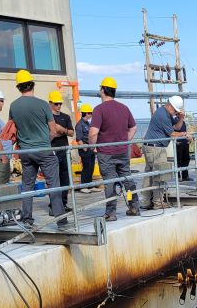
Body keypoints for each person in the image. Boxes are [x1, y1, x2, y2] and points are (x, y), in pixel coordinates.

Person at [8, 69, 67, 227]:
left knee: (27, 186)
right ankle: (60, 219)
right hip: (44, 150)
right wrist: (44, 141)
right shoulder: (42, 104)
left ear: (19, 87)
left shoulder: (14, 106)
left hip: (26, 152)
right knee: (53, 184)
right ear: (32, 85)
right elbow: (53, 131)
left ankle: (27, 219)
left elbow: (12, 128)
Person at [87, 76, 140, 221]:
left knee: (109, 183)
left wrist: (93, 147)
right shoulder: (124, 108)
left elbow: (93, 132)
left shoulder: (99, 109)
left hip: (106, 154)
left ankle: (111, 213)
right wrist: (125, 141)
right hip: (123, 152)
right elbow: (133, 127)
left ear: (103, 90)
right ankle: (134, 206)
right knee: (127, 180)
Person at [140, 95, 187, 210]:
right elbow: (173, 133)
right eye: (175, 111)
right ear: (170, 106)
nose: (175, 113)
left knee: (150, 175)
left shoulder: (165, 112)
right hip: (156, 148)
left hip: (152, 147)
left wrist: (181, 118)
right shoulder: (163, 115)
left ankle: (146, 202)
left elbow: (177, 126)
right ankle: (158, 202)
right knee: (159, 175)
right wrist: (185, 134)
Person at [48, 90, 75, 211]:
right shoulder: (47, 117)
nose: (58, 106)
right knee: (54, 179)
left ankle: (63, 203)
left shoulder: (65, 117)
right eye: (56, 104)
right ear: (50, 104)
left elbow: (71, 132)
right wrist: (58, 132)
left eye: (60, 103)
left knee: (65, 178)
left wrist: (61, 130)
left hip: (64, 151)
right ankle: (53, 205)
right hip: (52, 151)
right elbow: (48, 134)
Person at [74, 103, 99, 193]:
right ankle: (84, 186)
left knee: (91, 167)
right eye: (90, 113)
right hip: (85, 150)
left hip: (91, 149)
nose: (91, 115)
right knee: (86, 167)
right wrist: (84, 148)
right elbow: (78, 139)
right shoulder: (79, 125)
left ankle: (90, 185)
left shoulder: (88, 124)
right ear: (86, 113)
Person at [173, 107, 191, 182]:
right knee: (178, 160)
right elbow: (173, 132)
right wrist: (175, 141)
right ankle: (178, 176)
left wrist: (189, 140)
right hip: (178, 143)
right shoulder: (174, 121)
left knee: (186, 159)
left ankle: (185, 176)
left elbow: (185, 131)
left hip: (185, 143)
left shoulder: (183, 122)